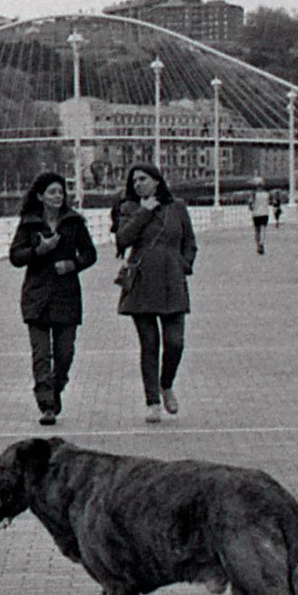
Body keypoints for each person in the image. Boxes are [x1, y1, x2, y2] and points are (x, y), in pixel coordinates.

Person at [8, 172, 97, 425]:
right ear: (40, 196)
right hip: (37, 297)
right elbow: (16, 256)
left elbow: (90, 254)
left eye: (61, 192)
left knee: (65, 354)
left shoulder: (74, 223)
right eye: (52, 192)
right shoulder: (29, 224)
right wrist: (40, 250)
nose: (58, 196)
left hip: (66, 296)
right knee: (41, 354)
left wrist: (73, 264)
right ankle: (46, 404)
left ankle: (56, 388)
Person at [110, 163, 196, 423]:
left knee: (175, 342)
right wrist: (143, 214)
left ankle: (166, 383)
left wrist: (184, 264)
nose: (138, 184)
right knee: (149, 344)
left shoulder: (177, 208)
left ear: (157, 181)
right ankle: (152, 401)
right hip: (142, 283)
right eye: (134, 180)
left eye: (143, 179)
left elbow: (190, 242)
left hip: (172, 281)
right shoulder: (129, 209)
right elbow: (122, 239)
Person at [249, 182, 272, 254]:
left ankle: (258, 244)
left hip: (256, 213)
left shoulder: (254, 194)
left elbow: (250, 203)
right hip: (265, 213)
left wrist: (251, 208)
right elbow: (270, 202)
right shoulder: (267, 194)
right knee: (263, 229)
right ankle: (261, 243)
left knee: (257, 230)